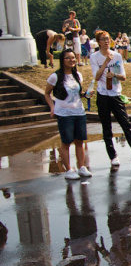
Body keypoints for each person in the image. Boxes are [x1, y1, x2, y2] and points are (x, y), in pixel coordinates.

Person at [90, 30, 131, 166]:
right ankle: (113, 156)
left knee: (126, 124)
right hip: (102, 94)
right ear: (98, 42)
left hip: (116, 94)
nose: (106, 41)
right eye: (103, 39)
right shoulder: (94, 57)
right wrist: (106, 62)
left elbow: (123, 77)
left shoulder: (117, 56)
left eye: (108, 38)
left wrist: (114, 75)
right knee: (106, 126)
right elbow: (96, 76)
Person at [44, 50, 92, 180]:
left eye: (73, 58)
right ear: (62, 60)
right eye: (68, 58)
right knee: (66, 142)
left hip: (79, 111)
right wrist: (52, 107)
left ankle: (81, 167)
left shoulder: (78, 75)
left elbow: (78, 93)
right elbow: (47, 93)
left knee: (80, 141)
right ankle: (69, 169)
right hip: (64, 113)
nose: (72, 60)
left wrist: (85, 94)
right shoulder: (55, 76)